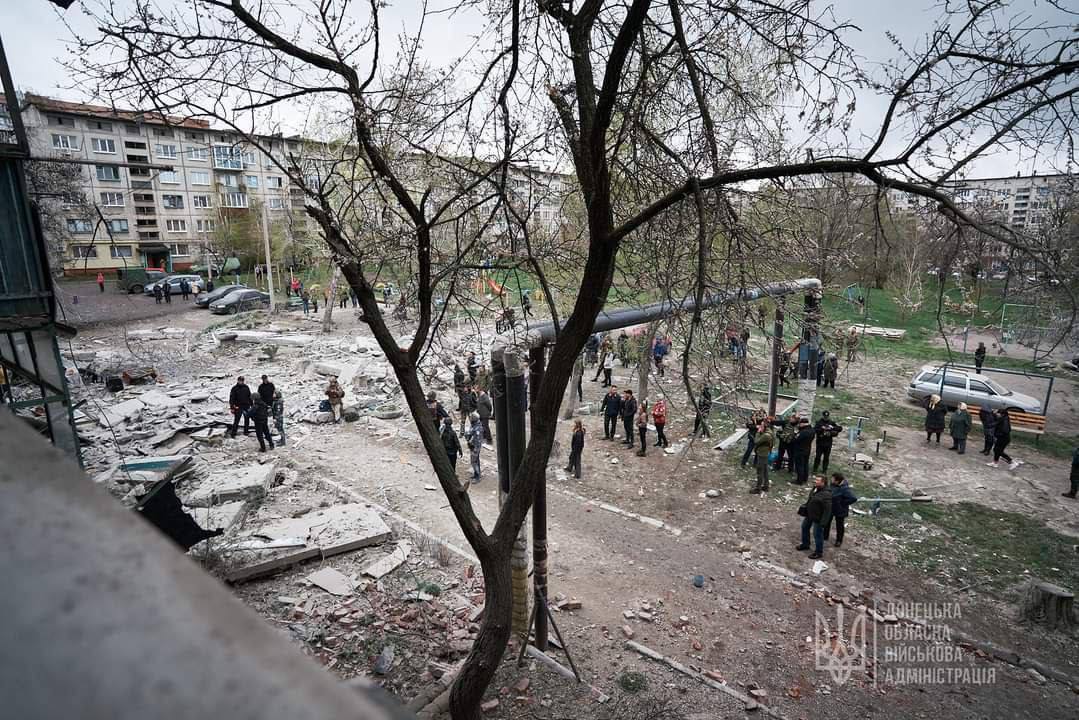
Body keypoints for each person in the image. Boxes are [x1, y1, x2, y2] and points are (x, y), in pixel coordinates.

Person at [796, 475, 833, 560]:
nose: (815, 481)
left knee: (817, 535)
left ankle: (818, 552)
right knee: (804, 527)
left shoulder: (827, 494)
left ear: (823, 482)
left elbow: (828, 510)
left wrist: (823, 522)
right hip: (810, 514)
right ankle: (805, 544)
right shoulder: (815, 488)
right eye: (815, 479)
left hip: (818, 518)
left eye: (817, 480)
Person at [825, 472, 858, 547]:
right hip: (831, 507)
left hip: (840, 510)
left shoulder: (845, 488)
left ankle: (839, 540)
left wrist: (842, 503)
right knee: (827, 522)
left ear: (837, 480)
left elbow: (853, 498)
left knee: (839, 525)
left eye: (833, 479)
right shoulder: (833, 484)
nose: (831, 480)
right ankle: (825, 536)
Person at [750, 420, 774, 494]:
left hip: (762, 454)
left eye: (762, 425)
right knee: (765, 470)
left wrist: (758, 432)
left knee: (760, 471)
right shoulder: (770, 432)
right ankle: (766, 486)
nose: (760, 426)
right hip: (765, 453)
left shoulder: (766, 435)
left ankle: (758, 488)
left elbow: (756, 441)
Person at [790, 417, 815, 485]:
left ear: (803, 424)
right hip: (807, 449)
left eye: (800, 424)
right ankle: (805, 478)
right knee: (805, 464)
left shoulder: (803, 432)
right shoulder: (812, 430)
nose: (799, 425)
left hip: (800, 450)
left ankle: (799, 480)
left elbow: (795, 439)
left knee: (799, 465)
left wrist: (795, 433)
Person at [467, 412, 483, 484]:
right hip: (473, 446)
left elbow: (477, 440)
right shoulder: (475, 425)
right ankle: (476, 474)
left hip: (475, 447)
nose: (469, 419)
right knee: (476, 461)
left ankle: (478, 477)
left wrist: (475, 449)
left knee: (474, 462)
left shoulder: (477, 429)